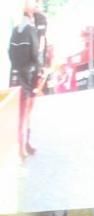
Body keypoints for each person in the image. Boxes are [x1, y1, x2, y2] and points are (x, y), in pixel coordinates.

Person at [8, 6, 40, 159]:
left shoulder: (15, 30)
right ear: (30, 17)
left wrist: (16, 66)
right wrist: (37, 72)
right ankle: (23, 146)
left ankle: (22, 145)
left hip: (15, 75)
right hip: (28, 76)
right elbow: (35, 54)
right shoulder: (32, 30)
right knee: (27, 113)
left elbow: (9, 52)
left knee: (20, 113)